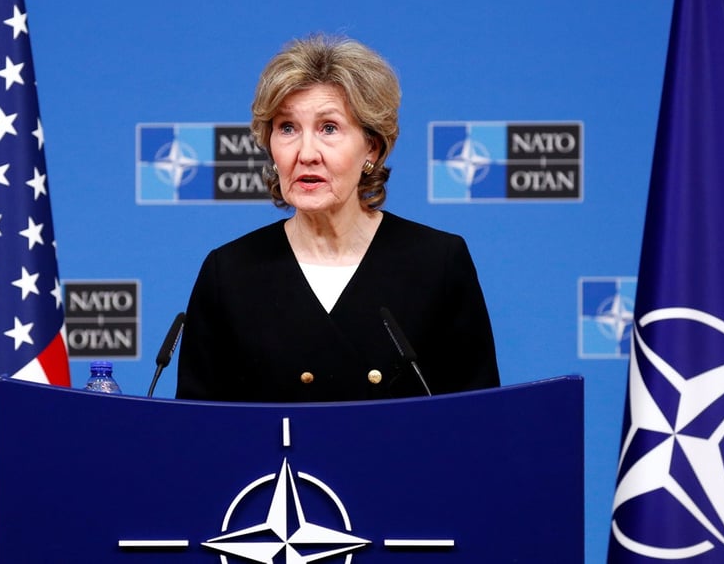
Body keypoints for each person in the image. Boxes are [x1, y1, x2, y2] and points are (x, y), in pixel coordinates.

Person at [176, 34, 499, 402]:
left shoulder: (437, 262)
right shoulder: (229, 273)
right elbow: (198, 437)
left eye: (329, 128)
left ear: (372, 149)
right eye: (287, 128)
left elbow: (479, 428)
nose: (306, 153)